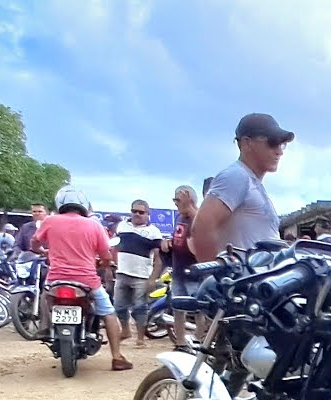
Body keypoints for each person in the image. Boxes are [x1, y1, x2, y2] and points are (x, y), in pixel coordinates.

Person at [31, 186, 131, 371]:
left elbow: (34, 243)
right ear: (83, 205)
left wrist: (42, 251)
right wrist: (104, 263)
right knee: (108, 313)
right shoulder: (94, 225)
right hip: (87, 281)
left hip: (56, 278)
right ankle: (117, 357)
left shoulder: (50, 221)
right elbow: (106, 255)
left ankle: (45, 327)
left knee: (46, 298)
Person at [192, 113, 294, 261]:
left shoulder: (251, 182)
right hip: (244, 282)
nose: (280, 151)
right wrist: (214, 278)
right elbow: (202, 227)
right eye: (273, 142)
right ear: (247, 143)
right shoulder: (236, 176)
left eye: (282, 144)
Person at [113, 199, 164, 348]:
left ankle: (140, 338)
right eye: (134, 211)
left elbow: (159, 259)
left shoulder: (153, 231)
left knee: (140, 308)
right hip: (122, 273)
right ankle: (126, 331)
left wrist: (153, 278)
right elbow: (115, 247)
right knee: (119, 307)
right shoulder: (122, 226)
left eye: (141, 212)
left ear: (148, 214)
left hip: (141, 276)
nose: (137, 214)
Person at [169, 185, 203, 349]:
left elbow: (202, 230)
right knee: (178, 307)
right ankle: (180, 342)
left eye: (178, 199)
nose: (176, 203)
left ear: (189, 198)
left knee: (199, 309)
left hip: (195, 272)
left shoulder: (199, 215)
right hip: (178, 269)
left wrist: (190, 208)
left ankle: (199, 341)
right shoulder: (179, 217)